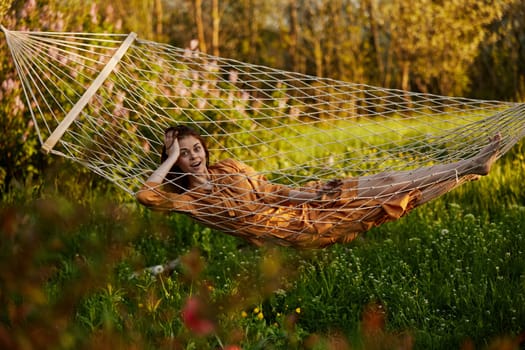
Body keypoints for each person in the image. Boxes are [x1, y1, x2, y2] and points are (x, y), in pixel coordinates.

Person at [136, 125, 500, 248]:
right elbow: (146, 196)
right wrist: (166, 158)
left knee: (386, 182)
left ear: (205, 147)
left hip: (302, 203)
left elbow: (272, 189)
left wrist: (312, 194)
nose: (194, 156)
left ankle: (471, 165)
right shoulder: (191, 200)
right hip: (296, 228)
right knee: (388, 202)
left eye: (196, 148)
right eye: (184, 154)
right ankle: (468, 170)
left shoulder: (229, 168)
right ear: (177, 163)